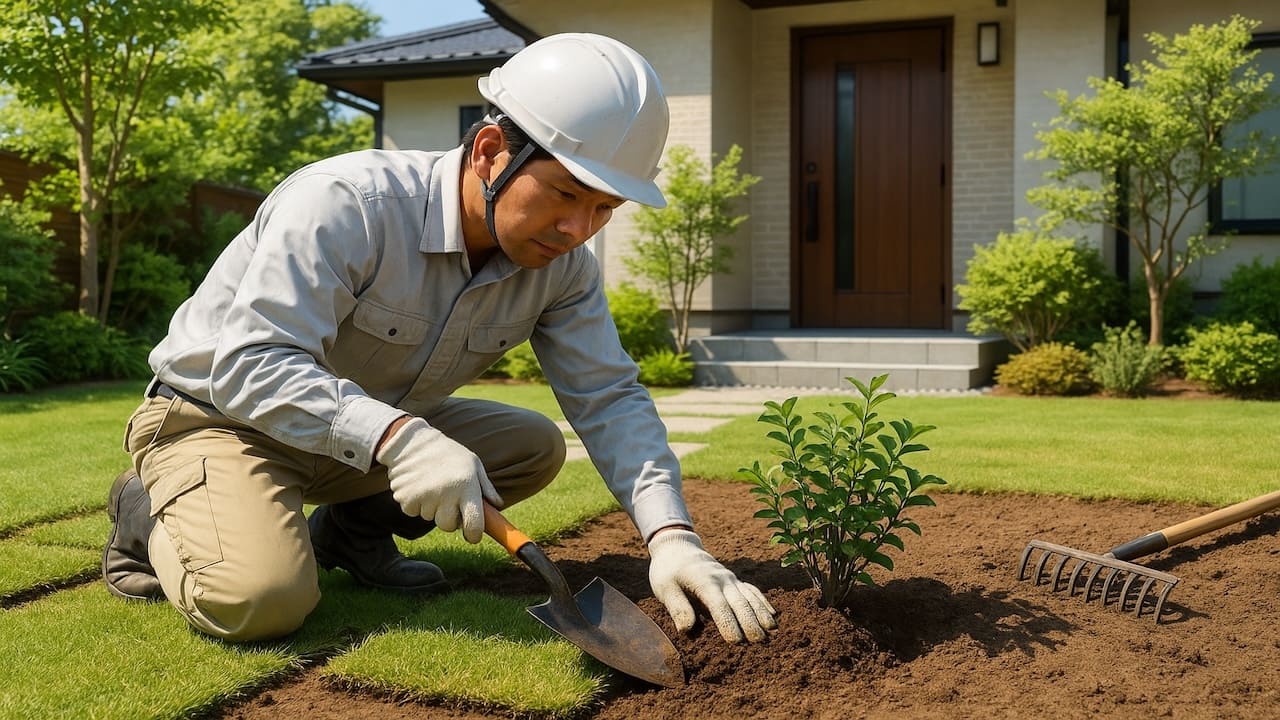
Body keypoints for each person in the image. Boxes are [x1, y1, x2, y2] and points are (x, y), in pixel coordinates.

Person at [102, 32, 777, 646]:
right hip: (216, 421)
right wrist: (402, 439)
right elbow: (248, 364)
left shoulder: (563, 269)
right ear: (490, 152)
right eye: (566, 195)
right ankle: (147, 513)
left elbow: (609, 397)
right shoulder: (348, 205)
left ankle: (350, 536)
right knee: (261, 600)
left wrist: (672, 536)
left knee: (529, 448)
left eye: (605, 208)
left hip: (348, 438)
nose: (580, 228)